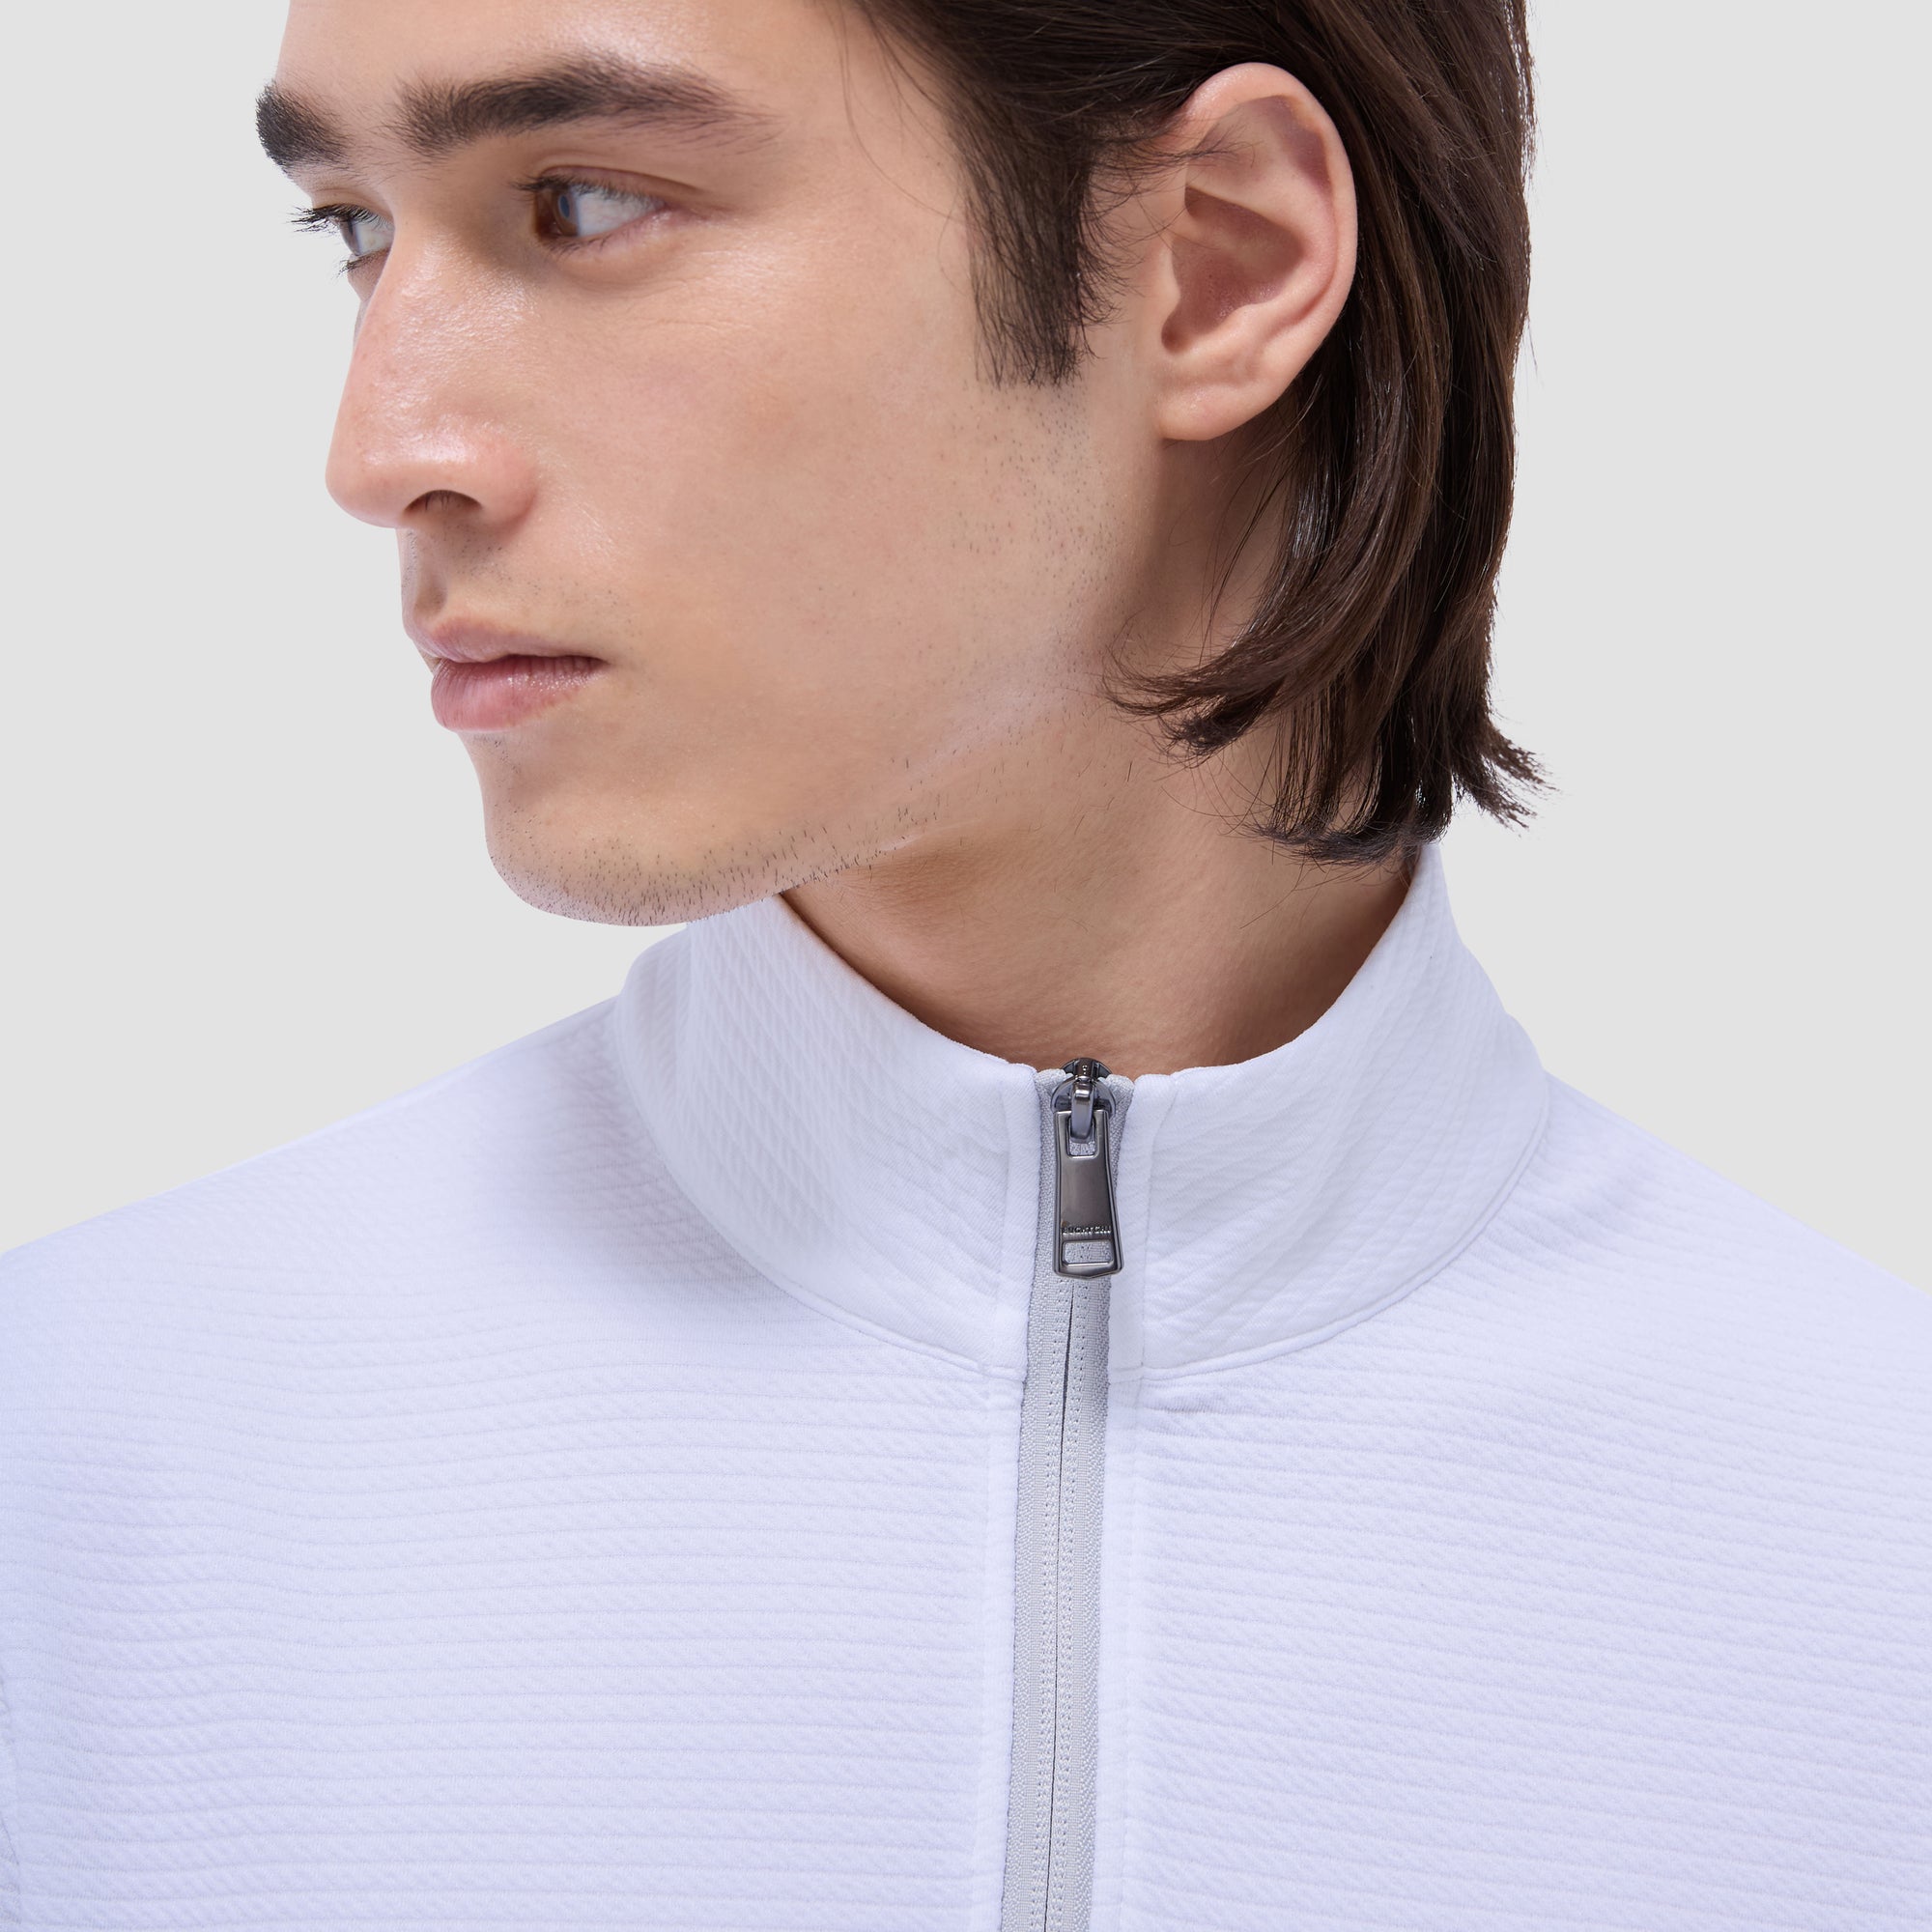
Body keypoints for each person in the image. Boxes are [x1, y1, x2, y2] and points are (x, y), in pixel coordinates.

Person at [1, 0, 1924, 1924]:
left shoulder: (1875, 1558)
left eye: (581, 203)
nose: (380, 450)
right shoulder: (74, 1469)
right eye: (355, 227)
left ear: (1220, 264)